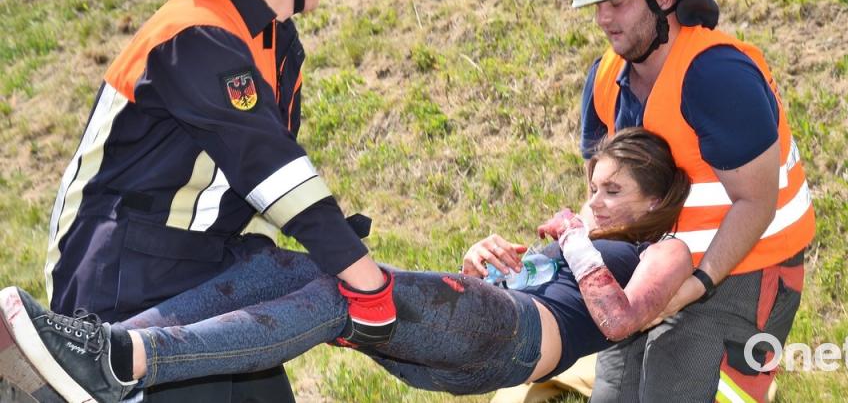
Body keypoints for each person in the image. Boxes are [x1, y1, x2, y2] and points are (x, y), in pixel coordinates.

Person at [2, 128, 693, 402]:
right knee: (286, 270)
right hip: (483, 338)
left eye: (614, 191)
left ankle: (123, 360)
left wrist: (572, 238)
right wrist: (490, 264)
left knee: (344, 293)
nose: (595, 202)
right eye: (592, 185)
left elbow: (622, 318)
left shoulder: (664, 249)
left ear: (656, 199)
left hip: (513, 343)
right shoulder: (581, 240)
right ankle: (82, 353)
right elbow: (537, 293)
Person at [43, 0, 389, 401]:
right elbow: (270, 167)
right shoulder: (197, 30)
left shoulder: (273, 38)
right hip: (124, 281)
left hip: (200, 272)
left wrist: (336, 245)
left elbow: (264, 167)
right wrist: (366, 282)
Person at [550, 0, 815, 402]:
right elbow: (603, 199)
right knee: (614, 394)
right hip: (656, 266)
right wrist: (557, 254)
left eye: (617, 3)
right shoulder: (605, 78)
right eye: (596, 5)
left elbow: (756, 203)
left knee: (673, 386)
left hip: (743, 270)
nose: (603, 19)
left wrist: (694, 285)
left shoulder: (718, 76)